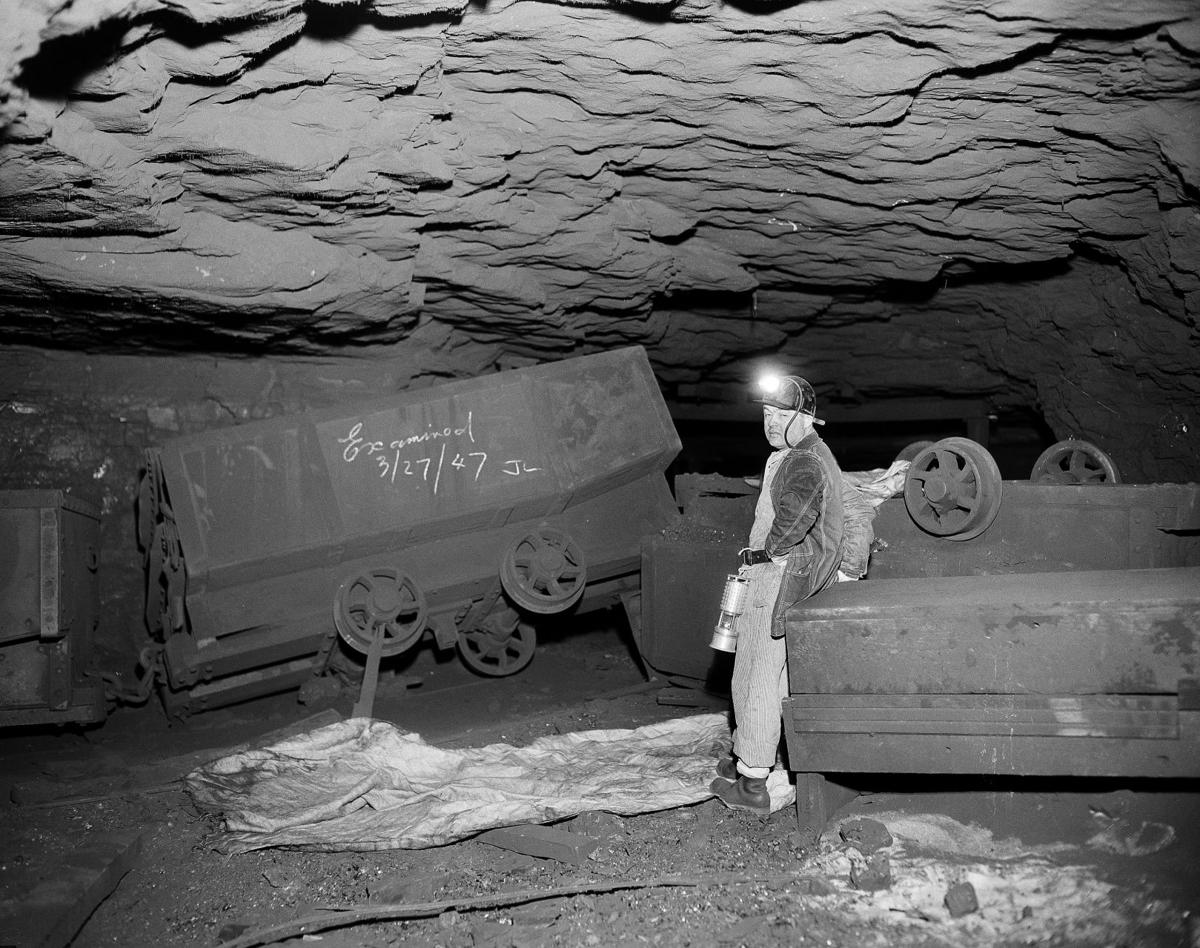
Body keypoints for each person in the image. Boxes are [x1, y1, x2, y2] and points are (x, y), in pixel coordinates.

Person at [711, 374, 845, 815]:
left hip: (776, 579)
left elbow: (791, 524)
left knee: (755, 678)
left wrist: (766, 553)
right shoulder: (802, 453)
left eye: (780, 415)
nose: (770, 422)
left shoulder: (803, 461)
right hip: (793, 580)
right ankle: (748, 759)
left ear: (805, 418)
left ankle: (752, 785)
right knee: (773, 678)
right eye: (766, 413)